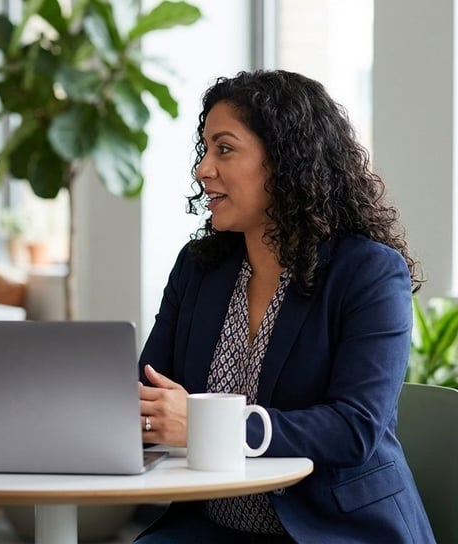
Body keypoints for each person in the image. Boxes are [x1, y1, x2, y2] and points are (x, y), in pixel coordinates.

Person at [135, 70, 435, 543]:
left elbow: (353, 428)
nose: (203, 169)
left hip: (335, 529)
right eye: (205, 149)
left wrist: (211, 427)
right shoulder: (198, 268)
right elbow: (147, 392)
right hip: (211, 527)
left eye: (224, 149)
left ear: (285, 160)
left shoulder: (369, 273)